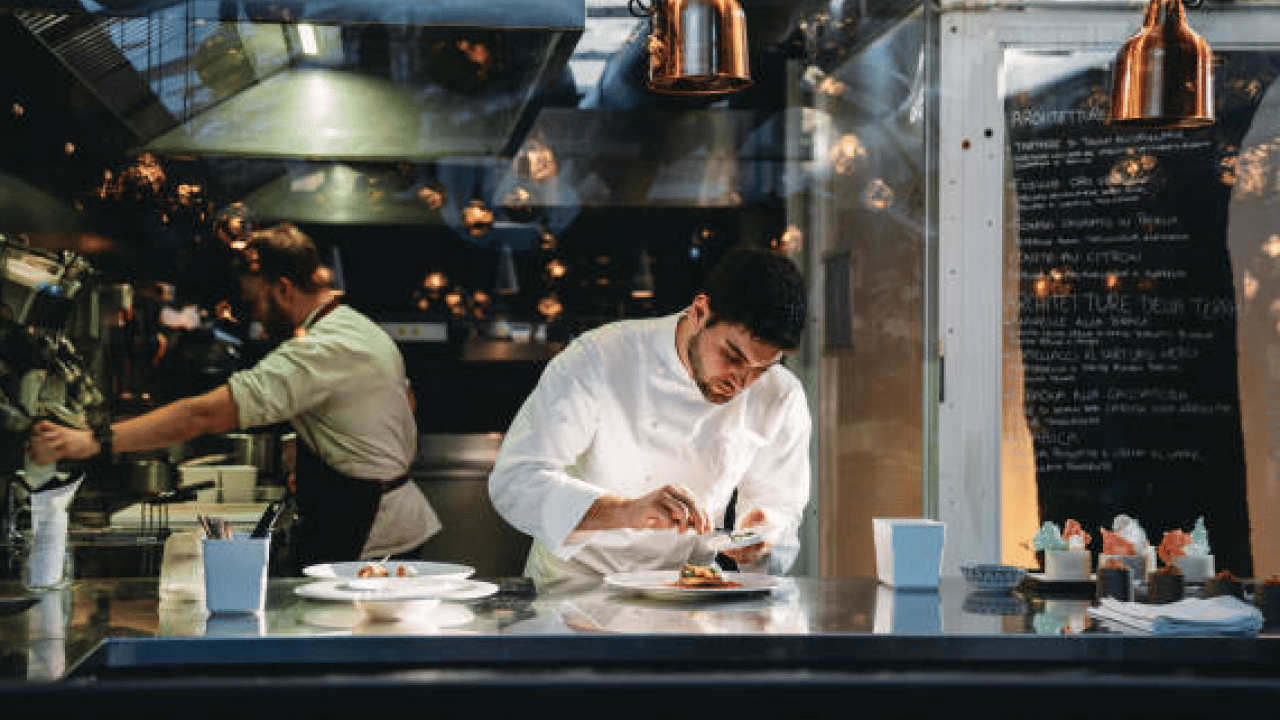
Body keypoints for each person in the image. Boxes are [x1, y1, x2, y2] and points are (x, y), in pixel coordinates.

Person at [27, 222, 440, 572]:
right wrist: (327, 443)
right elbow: (407, 404)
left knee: (337, 655)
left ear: (282, 288)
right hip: (389, 518)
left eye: (253, 299)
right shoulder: (355, 326)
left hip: (369, 531)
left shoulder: (315, 351)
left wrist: (92, 441)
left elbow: (201, 416)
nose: (252, 312)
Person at [488, 245, 811, 590]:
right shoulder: (600, 357)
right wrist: (624, 511)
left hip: (689, 594)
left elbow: (781, 506)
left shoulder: (780, 394)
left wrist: (763, 536)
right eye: (732, 355)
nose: (741, 382)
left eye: (760, 369)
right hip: (575, 590)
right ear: (700, 311)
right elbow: (516, 482)